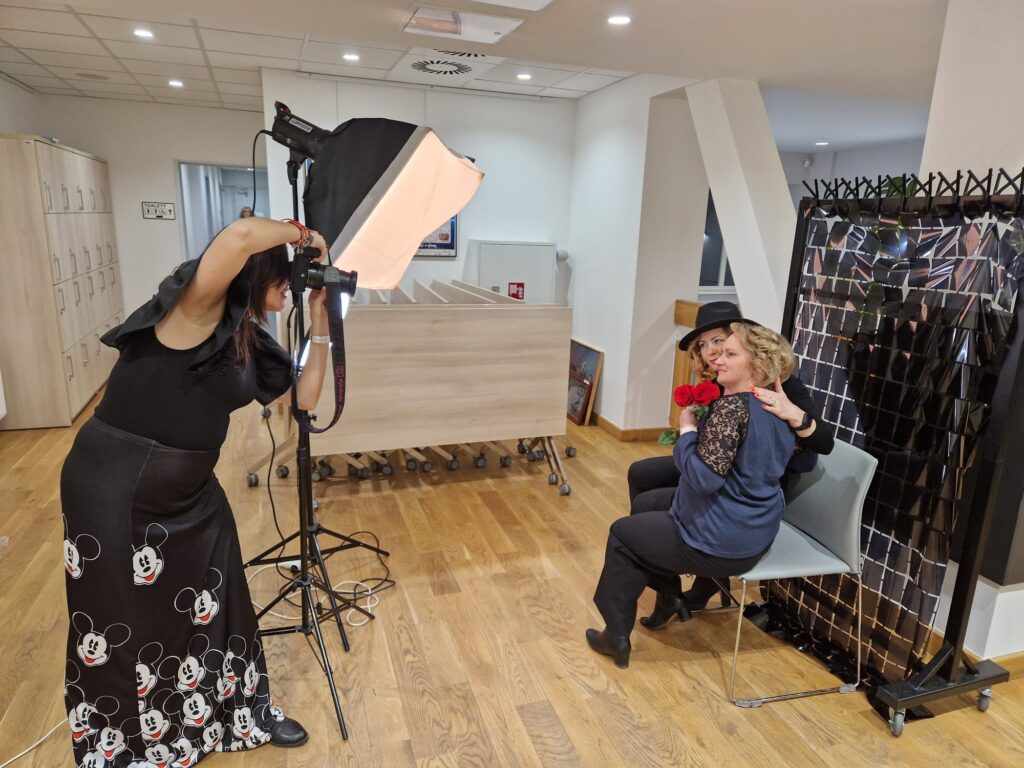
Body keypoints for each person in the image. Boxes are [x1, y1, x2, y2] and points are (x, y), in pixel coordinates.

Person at [60, 217, 329, 765]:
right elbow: (240, 236)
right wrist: (303, 235)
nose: (291, 284)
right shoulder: (197, 307)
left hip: (191, 491)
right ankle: (128, 745)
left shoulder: (247, 335)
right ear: (255, 271)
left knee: (219, 595)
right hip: (113, 486)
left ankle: (236, 714)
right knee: (123, 619)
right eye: (284, 274)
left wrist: (323, 323)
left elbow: (304, 399)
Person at [588, 324, 799, 668]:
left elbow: (703, 480)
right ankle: (669, 596)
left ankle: (616, 634)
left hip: (721, 543)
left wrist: (687, 431)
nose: (718, 359)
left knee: (622, 534)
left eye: (730, 354)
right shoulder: (780, 408)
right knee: (645, 505)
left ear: (758, 365)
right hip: (755, 534)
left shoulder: (731, 410)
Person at [627, 301, 833, 618]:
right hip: (720, 467)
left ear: (741, 340)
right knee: (641, 474)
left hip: (757, 481)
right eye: (703, 345)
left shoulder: (782, 382)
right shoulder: (720, 378)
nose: (711, 352)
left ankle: (700, 564)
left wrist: (792, 412)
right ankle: (668, 585)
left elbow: (823, 443)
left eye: (719, 342)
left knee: (659, 497)